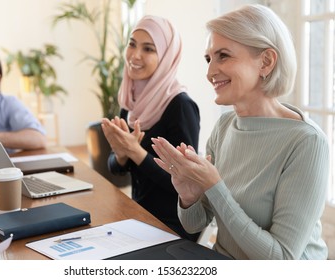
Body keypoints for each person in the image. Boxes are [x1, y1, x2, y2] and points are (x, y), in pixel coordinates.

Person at [151, 4, 329, 259]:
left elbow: (281, 259)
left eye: (223, 55)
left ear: (266, 62)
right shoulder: (225, 126)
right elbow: (195, 224)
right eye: (209, 58)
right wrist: (189, 196)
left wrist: (214, 185)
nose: (210, 72)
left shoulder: (306, 142)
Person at [101, 15, 201, 241]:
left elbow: (185, 183)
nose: (135, 55)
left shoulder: (181, 106)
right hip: (138, 216)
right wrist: (120, 154)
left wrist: (136, 153)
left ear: (166, 57)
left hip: (171, 225)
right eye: (132, 44)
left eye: (148, 49)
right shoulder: (132, 102)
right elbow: (116, 169)